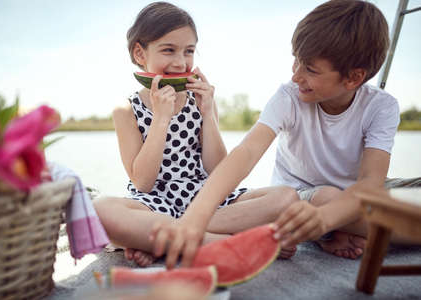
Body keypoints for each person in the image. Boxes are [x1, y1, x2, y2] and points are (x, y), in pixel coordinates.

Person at [149, 0, 408, 269]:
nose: (296, 76)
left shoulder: (382, 106)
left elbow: (369, 184)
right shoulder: (289, 97)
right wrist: (196, 217)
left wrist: (326, 220)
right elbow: (247, 152)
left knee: (401, 199)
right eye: (296, 62)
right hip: (303, 197)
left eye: (310, 69)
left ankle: (331, 230)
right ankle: (335, 230)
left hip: (348, 202)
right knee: (328, 198)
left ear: (353, 78)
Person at [94, 1, 298, 267]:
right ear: (140, 53)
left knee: (286, 198)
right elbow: (143, 182)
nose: (180, 63)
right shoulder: (125, 109)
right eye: (168, 50)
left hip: (204, 199)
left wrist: (208, 112)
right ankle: (222, 242)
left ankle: (166, 241)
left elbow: (217, 169)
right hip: (154, 203)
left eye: (188, 51)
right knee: (100, 210)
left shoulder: (197, 99)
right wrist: (161, 119)